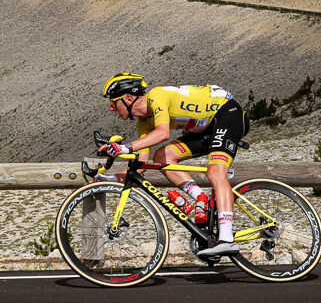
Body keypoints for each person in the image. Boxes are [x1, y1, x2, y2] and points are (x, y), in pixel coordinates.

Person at [99, 73, 249, 258]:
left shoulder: (156, 96)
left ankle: (227, 239)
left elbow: (162, 133)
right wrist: (106, 179)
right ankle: (200, 197)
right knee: (161, 156)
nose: (112, 109)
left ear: (128, 98)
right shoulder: (143, 122)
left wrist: (124, 147)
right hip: (207, 128)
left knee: (216, 172)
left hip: (227, 114)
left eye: (113, 103)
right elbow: (140, 164)